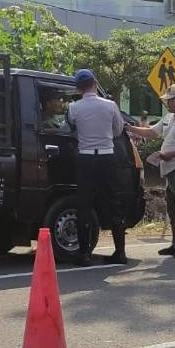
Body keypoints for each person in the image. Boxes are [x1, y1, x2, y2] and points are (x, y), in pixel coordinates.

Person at [125, 84, 175, 259]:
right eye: (167, 101)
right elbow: (152, 132)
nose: (168, 104)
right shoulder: (169, 117)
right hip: (169, 171)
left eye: (171, 100)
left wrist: (170, 154)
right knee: (173, 209)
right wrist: (130, 128)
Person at [65, 69, 128, 266]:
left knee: (84, 205)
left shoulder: (74, 107)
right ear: (95, 82)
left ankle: (84, 254)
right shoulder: (110, 105)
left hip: (85, 159)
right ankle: (120, 252)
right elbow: (118, 130)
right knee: (113, 204)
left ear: (78, 88)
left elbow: (70, 127)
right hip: (107, 158)